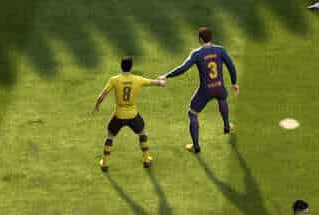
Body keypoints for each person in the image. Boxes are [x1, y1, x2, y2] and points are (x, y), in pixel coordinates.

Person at [164, 26, 237, 154]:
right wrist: (234, 83)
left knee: (192, 113)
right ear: (211, 38)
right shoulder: (220, 50)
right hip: (219, 86)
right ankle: (226, 126)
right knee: (222, 99)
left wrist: (167, 75)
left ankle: (196, 146)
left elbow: (183, 68)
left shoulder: (197, 54)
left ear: (200, 39)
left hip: (205, 90)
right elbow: (231, 66)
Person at [93, 56, 166, 171]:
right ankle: (146, 160)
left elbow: (102, 95)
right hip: (133, 115)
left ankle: (105, 163)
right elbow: (154, 82)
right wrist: (162, 82)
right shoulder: (138, 79)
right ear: (131, 67)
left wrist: (97, 105)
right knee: (142, 133)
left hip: (119, 115)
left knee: (110, 136)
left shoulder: (114, 80)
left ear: (121, 66)